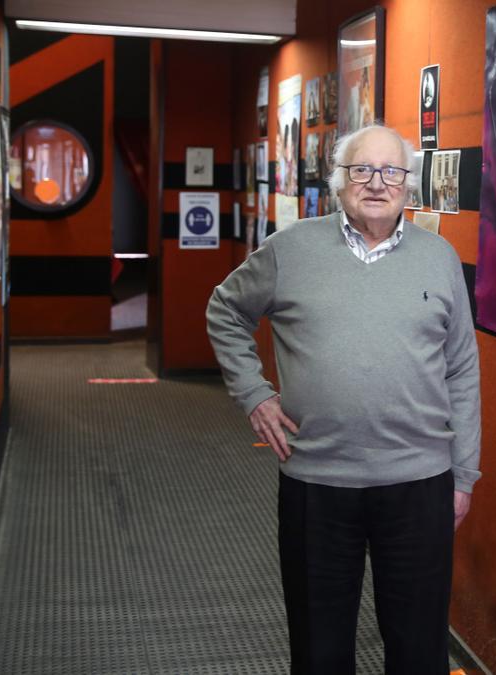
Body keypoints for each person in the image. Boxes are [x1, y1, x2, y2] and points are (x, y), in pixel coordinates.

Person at [206, 124, 481, 674]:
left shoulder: (440, 258)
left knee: (419, 648)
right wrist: (256, 394)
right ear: (340, 181)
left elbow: (462, 369)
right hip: (318, 483)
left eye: (392, 171)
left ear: (408, 183)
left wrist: (464, 474)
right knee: (320, 646)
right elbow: (225, 311)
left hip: (420, 484)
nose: (377, 183)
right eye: (362, 170)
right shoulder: (291, 249)